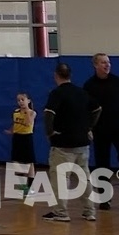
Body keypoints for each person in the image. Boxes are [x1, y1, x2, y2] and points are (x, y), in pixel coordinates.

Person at [43, 62, 102, 223]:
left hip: (63, 144)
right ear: (70, 75)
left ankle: (61, 212)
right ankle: (89, 211)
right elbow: (97, 109)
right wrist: (89, 127)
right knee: (84, 178)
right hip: (82, 143)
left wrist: (50, 133)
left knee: (61, 178)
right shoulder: (82, 92)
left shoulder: (56, 93)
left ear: (56, 75)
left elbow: (49, 114)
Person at [83, 52, 119, 207]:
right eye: (103, 62)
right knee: (102, 164)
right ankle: (104, 197)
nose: (107, 65)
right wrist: (87, 128)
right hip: (100, 130)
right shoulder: (89, 86)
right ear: (95, 65)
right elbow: (86, 109)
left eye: (108, 62)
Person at [3, 92, 37, 196]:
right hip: (17, 138)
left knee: (29, 163)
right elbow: (15, 123)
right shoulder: (15, 112)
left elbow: (28, 123)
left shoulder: (32, 112)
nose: (21, 102)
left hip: (26, 138)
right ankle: (23, 187)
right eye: (19, 100)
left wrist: (26, 111)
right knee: (17, 163)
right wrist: (11, 131)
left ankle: (30, 188)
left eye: (23, 99)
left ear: (28, 101)